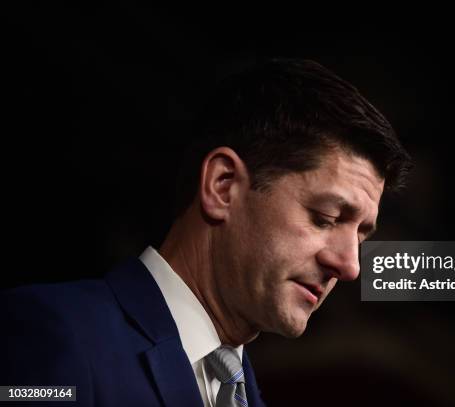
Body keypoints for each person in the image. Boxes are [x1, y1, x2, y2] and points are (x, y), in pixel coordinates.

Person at [1, 58, 412, 406]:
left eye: (360, 237)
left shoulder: (247, 395)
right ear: (223, 186)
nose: (350, 266)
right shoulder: (55, 332)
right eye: (325, 217)